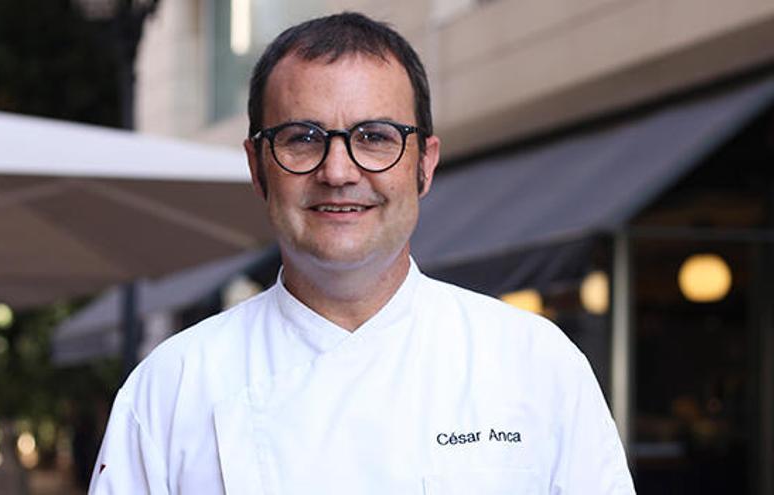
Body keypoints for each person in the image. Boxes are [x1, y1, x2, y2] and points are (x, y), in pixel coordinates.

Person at [89, 12, 635, 494]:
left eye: (375, 136)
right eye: (302, 137)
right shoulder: (170, 387)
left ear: (424, 164)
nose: (339, 171)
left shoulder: (537, 364)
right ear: (257, 167)